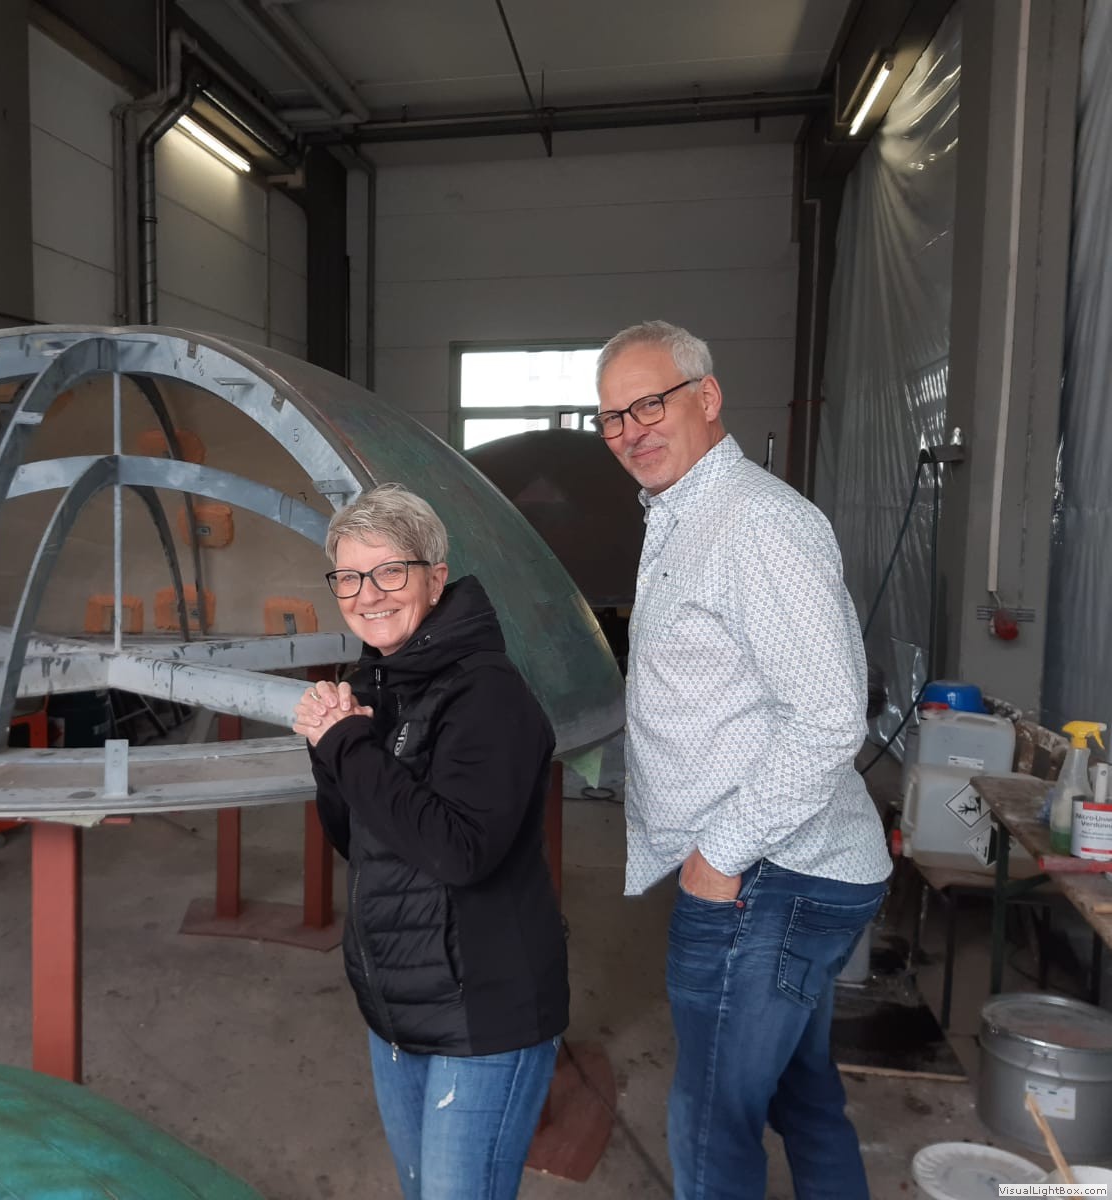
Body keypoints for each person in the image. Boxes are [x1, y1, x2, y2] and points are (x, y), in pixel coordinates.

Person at [594, 321, 893, 1200]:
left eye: (649, 404)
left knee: (710, 1124)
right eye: (612, 417)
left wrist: (717, 857)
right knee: (803, 1098)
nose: (630, 431)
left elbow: (829, 719)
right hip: (778, 870)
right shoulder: (687, 512)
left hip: (770, 877)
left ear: (707, 396)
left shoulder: (754, 523)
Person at [292, 483, 568, 1200]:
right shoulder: (380, 682)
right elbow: (359, 839)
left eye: (390, 571)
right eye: (349, 577)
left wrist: (347, 745)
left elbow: (458, 852)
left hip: (483, 1014)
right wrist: (329, 751)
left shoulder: (487, 695)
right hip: (398, 1005)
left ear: (435, 579)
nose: (367, 595)